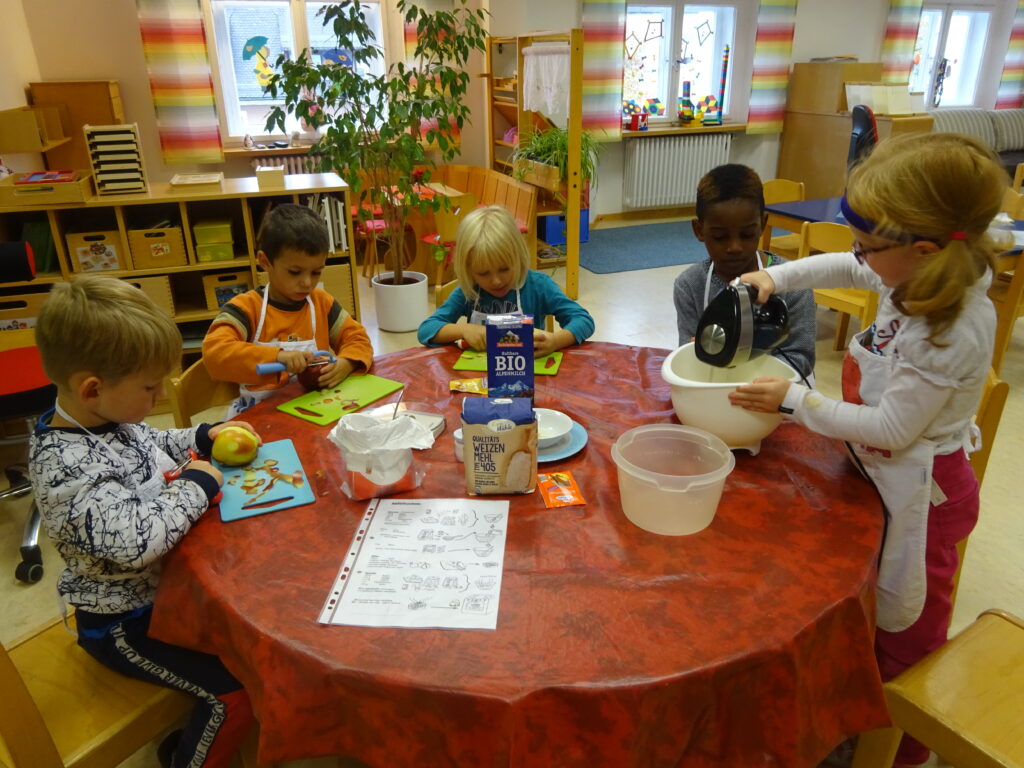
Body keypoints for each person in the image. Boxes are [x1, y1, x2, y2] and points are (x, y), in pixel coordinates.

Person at [729, 133, 1004, 768]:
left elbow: (889, 428)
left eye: (868, 247)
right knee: (858, 596)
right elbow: (845, 267)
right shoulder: (912, 269)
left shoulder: (948, 328)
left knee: (908, 627)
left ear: (926, 249)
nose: (858, 257)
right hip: (878, 474)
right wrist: (775, 275)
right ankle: (850, 700)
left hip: (923, 498)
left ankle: (894, 747)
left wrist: (795, 400)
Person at [28, 275, 256, 768]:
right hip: (122, 625)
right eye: (151, 387)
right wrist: (197, 485)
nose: (159, 396)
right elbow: (138, 540)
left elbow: (150, 446)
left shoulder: (105, 418)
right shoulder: (66, 470)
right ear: (93, 388)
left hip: (167, 594)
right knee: (232, 693)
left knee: (249, 634)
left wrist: (202, 434)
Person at [203, 203, 373, 416]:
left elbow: (357, 338)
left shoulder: (321, 303)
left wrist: (347, 362)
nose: (307, 283)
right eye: (295, 272)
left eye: (316, 272)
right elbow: (214, 354)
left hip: (314, 410)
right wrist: (278, 357)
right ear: (265, 261)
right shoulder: (245, 309)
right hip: (258, 418)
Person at [673, 163, 816, 380]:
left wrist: (736, 365)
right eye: (720, 237)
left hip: (777, 396)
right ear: (699, 230)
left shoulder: (794, 285)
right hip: (712, 393)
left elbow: (800, 360)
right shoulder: (690, 285)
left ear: (763, 225)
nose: (734, 247)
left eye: (747, 234)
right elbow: (688, 356)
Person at [417, 205, 595, 356]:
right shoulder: (468, 291)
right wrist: (464, 330)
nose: (496, 281)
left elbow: (583, 320)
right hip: (479, 379)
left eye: (504, 269)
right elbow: (427, 329)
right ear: (469, 271)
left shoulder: (539, 286)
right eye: (483, 273)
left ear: (518, 257)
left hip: (530, 375)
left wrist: (555, 341)